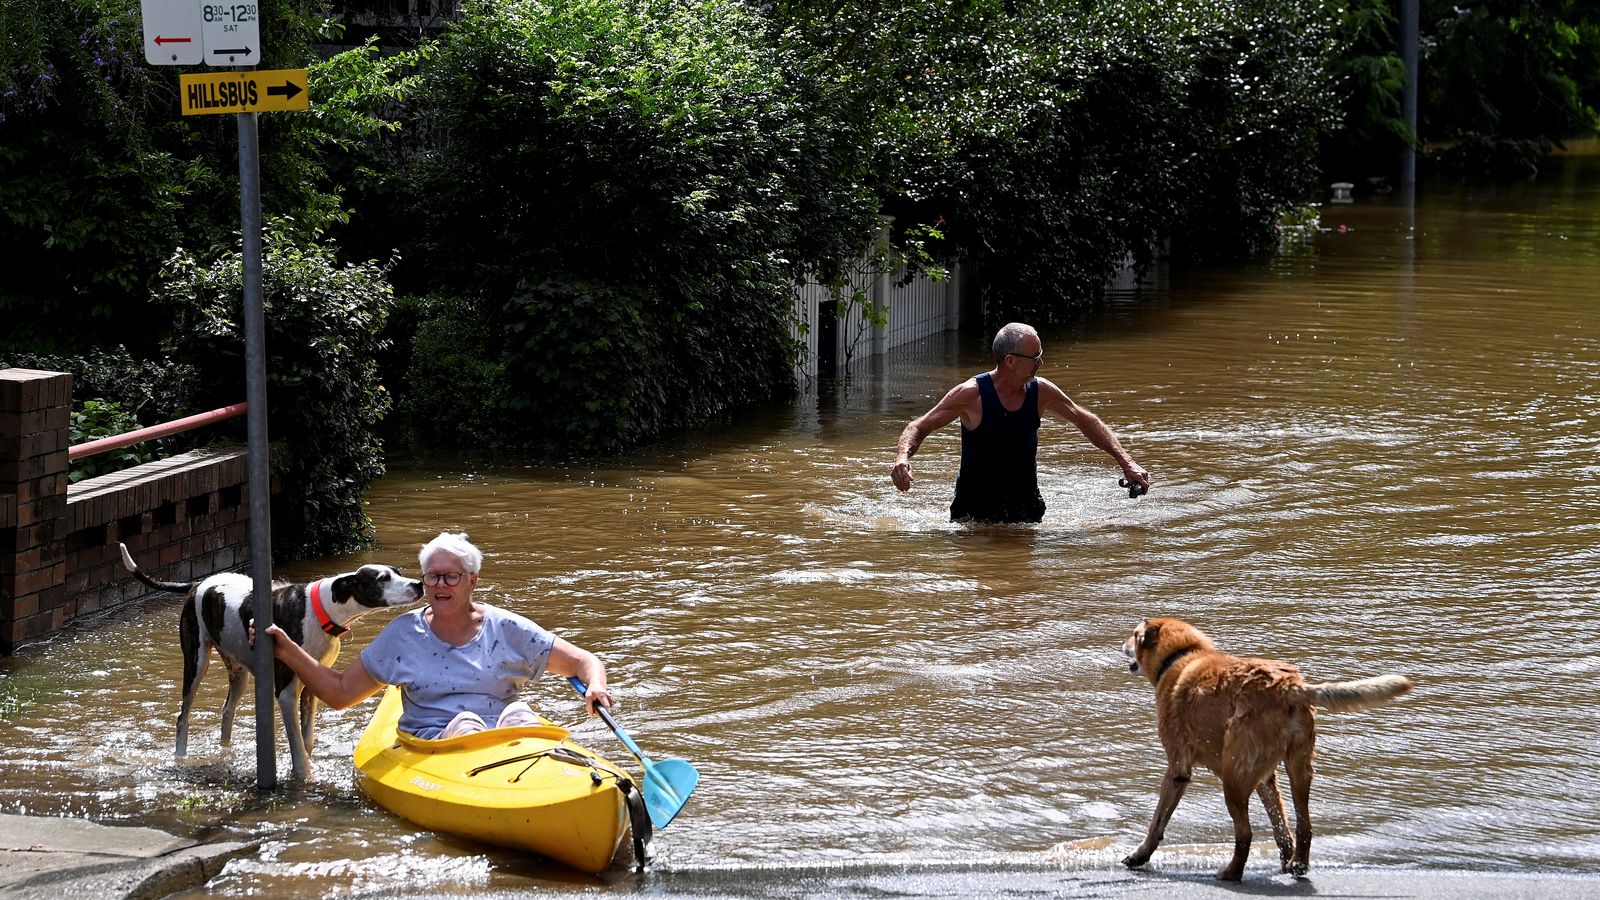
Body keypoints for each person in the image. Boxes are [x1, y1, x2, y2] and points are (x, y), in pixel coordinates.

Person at [257, 531, 611, 739]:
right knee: (465, 724)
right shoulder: (402, 635)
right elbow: (339, 693)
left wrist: (596, 685)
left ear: (473, 580)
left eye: (451, 577)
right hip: (439, 747)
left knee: (520, 716)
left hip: (508, 743)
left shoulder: (506, 627)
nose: (439, 585)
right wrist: (287, 650)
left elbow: (582, 662)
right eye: (432, 577)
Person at [890, 322, 1151, 523]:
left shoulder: (1042, 392)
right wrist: (903, 457)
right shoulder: (971, 394)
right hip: (974, 510)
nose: (1041, 363)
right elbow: (920, 426)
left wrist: (1126, 462)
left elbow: (1086, 421)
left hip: (1025, 506)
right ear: (1011, 361)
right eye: (1035, 357)